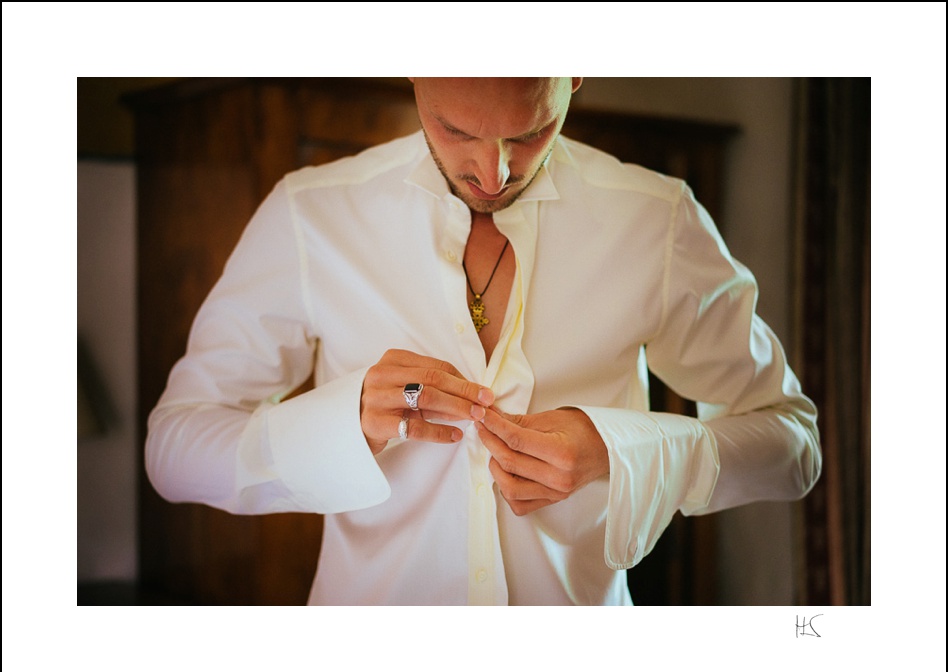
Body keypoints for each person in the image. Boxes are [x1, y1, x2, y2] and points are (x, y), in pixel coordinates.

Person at [145, 77, 822, 606]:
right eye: (456, 129)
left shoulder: (657, 220)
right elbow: (173, 449)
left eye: (532, 131)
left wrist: (618, 450)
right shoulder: (312, 214)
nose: (493, 172)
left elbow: (793, 446)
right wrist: (345, 416)